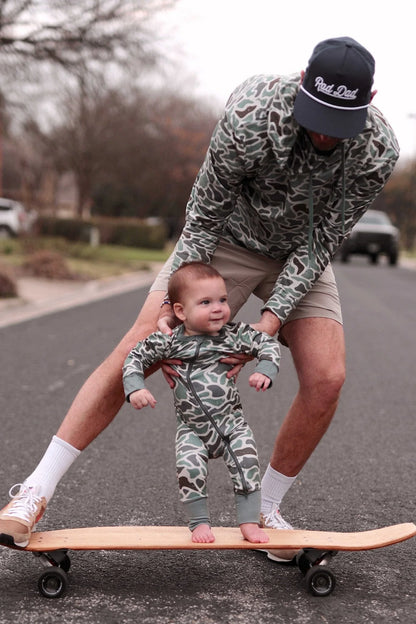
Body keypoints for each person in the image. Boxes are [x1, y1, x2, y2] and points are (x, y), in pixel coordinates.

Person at [0, 37, 399, 560]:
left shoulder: (377, 150)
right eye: (317, 116)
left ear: (369, 100)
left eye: (339, 122)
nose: (325, 133)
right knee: (137, 346)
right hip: (226, 241)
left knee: (328, 377)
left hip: (301, 254)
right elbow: (203, 217)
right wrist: (170, 312)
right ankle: (34, 492)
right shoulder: (252, 112)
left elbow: (323, 239)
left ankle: (265, 511)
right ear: (301, 81)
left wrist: (271, 322)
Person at [123, 262, 280, 544]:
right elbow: (134, 357)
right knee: (189, 468)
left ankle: (249, 523)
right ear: (181, 312)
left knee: (247, 465)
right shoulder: (169, 341)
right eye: (206, 302)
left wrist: (264, 369)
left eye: (222, 299)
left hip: (233, 426)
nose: (218, 307)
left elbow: (267, 344)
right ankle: (199, 523)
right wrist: (135, 388)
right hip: (192, 430)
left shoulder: (234, 334)